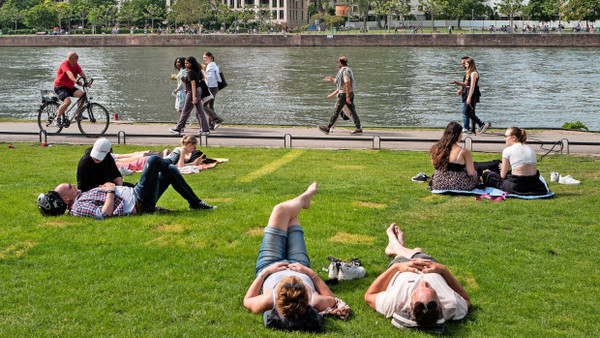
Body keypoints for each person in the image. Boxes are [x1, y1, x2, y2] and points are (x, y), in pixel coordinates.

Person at [243, 182, 335, 330]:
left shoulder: (268, 300)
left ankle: (304, 199)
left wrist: (265, 273)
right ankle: (304, 199)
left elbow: (247, 300)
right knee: (291, 217)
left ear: (278, 294)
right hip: (300, 263)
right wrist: (309, 273)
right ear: (306, 294)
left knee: (280, 210)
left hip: (270, 263)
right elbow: (331, 299)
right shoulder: (314, 301)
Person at [37, 155, 216, 219]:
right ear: (66, 198)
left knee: (168, 171)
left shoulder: (79, 198)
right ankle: (173, 158)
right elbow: (103, 215)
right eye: (69, 186)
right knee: (153, 161)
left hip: (135, 195)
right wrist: (109, 191)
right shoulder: (78, 206)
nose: (73, 184)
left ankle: (195, 203)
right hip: (137, 202)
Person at [365, 223, 470, 329]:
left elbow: (369, 295)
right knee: (417, 251)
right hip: (428, 263)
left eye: (420, 288)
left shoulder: (395, 303)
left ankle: (395, 245)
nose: (424, 283)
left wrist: (397, 267)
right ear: (440, 305)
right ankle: (396, 247)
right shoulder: (452, 306)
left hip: (402, 265)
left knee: (412, 251)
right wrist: (443, 269)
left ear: (410, 305)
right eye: (429, 287)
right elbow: (466, 300)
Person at [482, 127, 549, 195]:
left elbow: (502, 176)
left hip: (517, 185)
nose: (504, 138)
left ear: (513, 137)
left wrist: (503, 168)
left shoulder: (507, 150)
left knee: (488, 175)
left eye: (505, 136)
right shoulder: (530, 148)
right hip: (534, 184)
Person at [318, 56, 363, 135]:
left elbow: (347, 83)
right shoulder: (348, 70)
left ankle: (328, 128)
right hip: (349, 93)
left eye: (338, 62)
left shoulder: (344, 71)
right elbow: (341, 82)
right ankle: (358, 128)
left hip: (344, 94)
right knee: (352, 111)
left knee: (337, 111)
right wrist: (331, 79)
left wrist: (347, 96)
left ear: (340, 63)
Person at [428, 122, 479, 191]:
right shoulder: (463, 151)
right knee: (476, 176)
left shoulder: (436, 148)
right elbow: (471, 173)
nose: (461, 135)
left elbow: (435, 165)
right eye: (461, 133)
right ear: (457, 135)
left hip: (438, 183)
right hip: (458, 184)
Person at [169, 56, 210, 135]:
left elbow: (193, 84)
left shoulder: (190, 72)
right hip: (197, 90)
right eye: (185, 63)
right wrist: (184, 82)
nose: (185, 65)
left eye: (187, 63)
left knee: (186, 111)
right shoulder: (197, 70)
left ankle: (178, 129)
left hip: (193, 92)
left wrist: (194, 97)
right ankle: (205, 129)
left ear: (191, 63)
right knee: (197, 111)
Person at [53, 51, 89, 128]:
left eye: (77, 56)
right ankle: (57, 118)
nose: (77, 58)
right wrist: (75, 81)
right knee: (68, 101)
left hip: (69, 87)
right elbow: (70, 74)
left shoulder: (75, 64)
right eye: (76, 57)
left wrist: (86, 81)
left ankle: (78, 114)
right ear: (69, 58)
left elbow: (82, 74)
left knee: (83, 96)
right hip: (60, 87)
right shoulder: (64, 64)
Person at [461, 58, 488, 135]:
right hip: (469, 92)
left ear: (470, 64)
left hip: (473, 94)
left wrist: (469, 97)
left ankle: (481, 123)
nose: (465, 65)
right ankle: (473, 130)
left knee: (466, 111)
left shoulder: (474, 73)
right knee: (471, 111)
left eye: (466, 64)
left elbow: (472, 86)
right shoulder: (469, 73)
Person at [201, 52, 224, 130]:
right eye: (203, 57)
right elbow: (218, 78)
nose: (204, 59)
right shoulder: (214, 65)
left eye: (205, 57)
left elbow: (208, 78)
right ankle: (211, 125)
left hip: (211, 88)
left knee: (203, 105)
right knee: (211, 105)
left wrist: (202, 71)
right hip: (215, 87)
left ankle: (217, 119)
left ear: (210, 57)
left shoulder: (210, 67)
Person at [449, 56, 471, 133]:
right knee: (467, 112)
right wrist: (461, 90)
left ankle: (467, 128)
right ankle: (469, 127)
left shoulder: (471, 73)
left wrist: (456, 82)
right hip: (465, 93)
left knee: (465, 111)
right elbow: (467, 84)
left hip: (468, 94)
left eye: (464, 63)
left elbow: (467, 84)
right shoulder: (468, 72)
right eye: (462, 63)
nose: (463, 65)